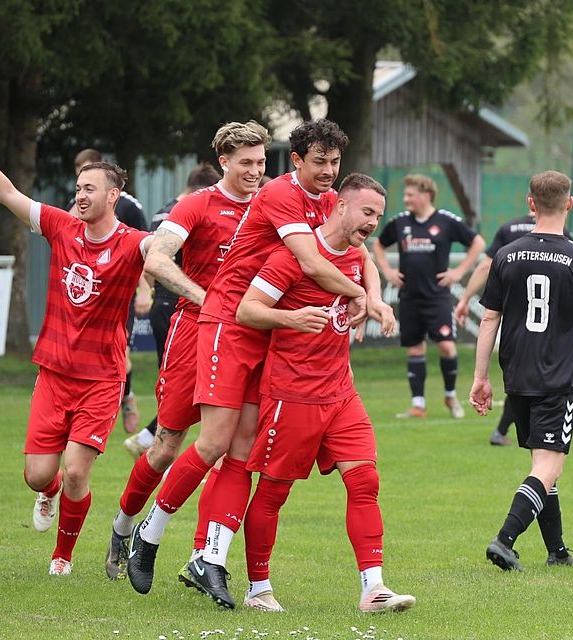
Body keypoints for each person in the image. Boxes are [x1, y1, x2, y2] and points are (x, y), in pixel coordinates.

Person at [126, 119, 394, 603]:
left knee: (242, 450)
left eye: (335, 163)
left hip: (267, 328)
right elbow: (311, 264)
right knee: (208, 442)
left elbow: (362, 254)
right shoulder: (281, 195)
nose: (330, 172)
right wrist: (363, 298)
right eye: (321, 163)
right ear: (296, 162)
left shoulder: (330, 200)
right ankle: (148, 531)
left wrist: (370, 292)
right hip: (230, 321)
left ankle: (208, 557)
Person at [0, 121, 152, 576]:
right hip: (54, 374)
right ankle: (49, 489)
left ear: (112, 196)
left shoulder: (133, 244)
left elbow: (164, 252)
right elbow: (7, 194)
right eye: (77, 187)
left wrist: (158, 282)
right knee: (39, 475)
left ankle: (62, 556)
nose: (79, 196)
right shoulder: (62, 227)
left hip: (101, 379)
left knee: (79, 472)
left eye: (89, 189)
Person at [235, 173, 414, 613]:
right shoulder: (293, 258)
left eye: (378, 215)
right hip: (292, 395)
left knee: (365, 480)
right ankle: (258, 589)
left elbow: (366, 263)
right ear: (340, 207)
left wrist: (373, 297)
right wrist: (293, 319)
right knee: (274, 492)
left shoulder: (354, 255)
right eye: (367, 212)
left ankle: (373, 589)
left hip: (340, 393)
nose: (373, 222)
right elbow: (247, 310)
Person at [104, 123, 269, 580]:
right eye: (246, 163)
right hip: (195, 330)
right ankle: (123, 527)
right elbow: (155, 258)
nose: (255, 172)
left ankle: (205, 556)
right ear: (224, 162)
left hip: (249, 334)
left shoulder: (272, 202)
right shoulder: (196, 204)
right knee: (167, 444)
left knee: (230, 446)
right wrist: (206, 298)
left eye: (261, 163)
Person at [469, 170, 573, 571]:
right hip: (555, 380)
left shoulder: (507, 254)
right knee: (548, 466)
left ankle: (557, 551)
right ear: (569, 204)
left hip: (517, 376)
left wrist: (480, 378)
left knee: (544, 465)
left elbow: (489, 319)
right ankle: (504, 541)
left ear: (530, 204)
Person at [122, 162, 222, 460]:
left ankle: (151, 439)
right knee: (189, 383)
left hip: (164, 303)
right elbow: (153, 258)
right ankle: (156, 443)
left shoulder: (161, 211)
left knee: (179, 381)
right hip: (179, 305)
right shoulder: (185, 211)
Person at [456, 209, 573, 446]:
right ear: (565, 204)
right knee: (541, 390)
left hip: (515, 330)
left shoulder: (508, 229)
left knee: (521, 383)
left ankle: (505, 433)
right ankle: (531, 443)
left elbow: (484, 267)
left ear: (531, 201)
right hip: (549, 336)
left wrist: (465, 298)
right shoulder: (563, 233)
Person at [373, 173, 485, 420]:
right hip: (409, 297)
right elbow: (378, 245)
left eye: (410, 195)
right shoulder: (400, 223)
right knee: (415, 349)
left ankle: (450, 395)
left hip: (437, 298)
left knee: (446, 346)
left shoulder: (445, 221)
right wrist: (387, 270)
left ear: (425, 195)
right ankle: (418, 405)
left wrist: (458, 272)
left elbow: (477, 243)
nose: (406, 199)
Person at [70, 148, 151, 435]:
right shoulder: (77, 206)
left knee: (121, 354)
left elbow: (142, 251)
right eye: (80, 175)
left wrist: (144, 290)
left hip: (119, 294)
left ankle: (126, 398)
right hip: (85, 292)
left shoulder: (129, 207)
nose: (83, 188)